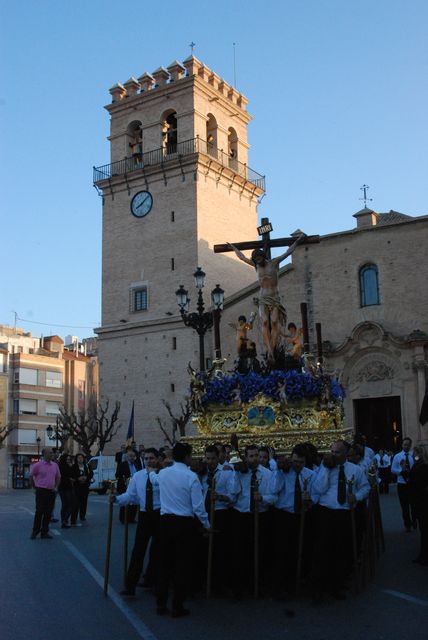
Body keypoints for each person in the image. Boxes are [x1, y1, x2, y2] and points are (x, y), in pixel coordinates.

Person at [227, 233, 305, 361]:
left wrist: (297, 241)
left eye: (259, 259)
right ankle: (270, 352)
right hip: (263, 298)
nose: (258, 261)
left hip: (274, 298)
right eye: (255, 260)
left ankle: (272, 350)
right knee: (264, 322)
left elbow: (288, 252)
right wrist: (233, 248)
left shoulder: (274, 262)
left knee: (274, 322)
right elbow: (242, 257)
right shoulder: (256, 266)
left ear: (263, 257)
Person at [155, 442, 210, 617]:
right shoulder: (190, 477)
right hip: (184, 525)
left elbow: (152, 478)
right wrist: (206, 525)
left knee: (164, 565)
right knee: (182, 566)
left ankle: (161, 604)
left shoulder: (163, 474)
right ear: (187, 457)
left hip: (165, 522)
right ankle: (177, 605)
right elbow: (198, 507)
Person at [311, 440, 369, 600]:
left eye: (337, 452)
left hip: (344, 513)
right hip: (326, 512)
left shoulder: (355, 470)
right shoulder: (325, 467)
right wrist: (326, 470)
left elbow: (365, 487)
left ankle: (337, 585)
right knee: (322, 550)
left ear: (345, 454)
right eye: (332, 451)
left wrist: (356, 496)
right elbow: (318, 488)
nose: (333, 455)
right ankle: (319, 587)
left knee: (341, 550)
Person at [229, 444, 276, 596]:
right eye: (251, 456)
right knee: (240, 553)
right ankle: (239, 587)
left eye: (257, 455)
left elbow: (274, 497)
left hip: (260, 515)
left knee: (260, 551)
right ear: (246, 457)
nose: (255, 459)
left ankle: (259, 585)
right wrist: (236, 473)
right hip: (242, 515)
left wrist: (262, 498)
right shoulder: (241, 472)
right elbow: (234, 492)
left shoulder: (267, 474)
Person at [270, 445, 315, 597]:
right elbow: (274, 489)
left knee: (301, 549)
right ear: (291, 458)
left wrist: (309, 499)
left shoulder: (310, 474)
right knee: (282, 551)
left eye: (301, 462)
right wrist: (278, 470)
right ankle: (280, 585)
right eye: (295, 461)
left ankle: (298, 582)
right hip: (284, 516)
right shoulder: (283, 473)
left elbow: (315, 495)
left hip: (302, 516)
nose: (298, 465)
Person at [116, 448, 161, 596]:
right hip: (144, 515)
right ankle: (130, 586)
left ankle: (152, 579)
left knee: (157, 550)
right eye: (146, 458)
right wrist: (117, 499)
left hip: (160, 514)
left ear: (157, 459)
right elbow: (131, 495)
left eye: (152, 458)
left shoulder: (163, 475)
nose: (149, 461)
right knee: (138, 551)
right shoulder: (138, 476)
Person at [199, 445, 235, 593]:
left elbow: (232, 497)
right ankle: (203, 581)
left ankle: (219, 583)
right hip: (204, 513)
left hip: (220, 513)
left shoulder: (227, 473)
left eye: (213, 458)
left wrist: (220, 497)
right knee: (203, 549)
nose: (210, 461)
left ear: (218, 457)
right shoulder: (201, 473)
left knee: (219, 550)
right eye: (208, 458)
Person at [29, 447, 61, 539]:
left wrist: (56, 487)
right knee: (39, 512)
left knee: (48, 513)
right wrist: (34, 487)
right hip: (41, 491)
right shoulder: (38, 465)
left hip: (51, 491)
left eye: (52, 453)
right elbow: (31, 476)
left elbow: (58, 477)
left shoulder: (55, 465)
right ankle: (35, 531)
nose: (52, 454)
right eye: (50, 453)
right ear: (45, 454)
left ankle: (44, 532)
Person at [391, 437, 416, 532]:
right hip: (402, 484)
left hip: (412, 484)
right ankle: (407, 524)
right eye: (405, 444)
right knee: (404, 506)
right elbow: (392, 469)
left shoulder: (413, 455)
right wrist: (401, 472)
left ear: (410, 445)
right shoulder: (397, 456)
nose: (406, 446)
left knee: (413, 504)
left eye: (408, 445)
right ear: (402, 445)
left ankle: (414, 519)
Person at [409, 443, 428, 565]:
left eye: (414, 453)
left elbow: (417, 484)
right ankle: (423, 554)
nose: (412, 455)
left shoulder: (422, 467)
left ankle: (424, 555)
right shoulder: (419, 465)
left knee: (424, 529)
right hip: (420, 500)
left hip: (422, 501)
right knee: (424, 529)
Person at [116, 447, 142, 524]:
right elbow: (117, 475)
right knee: (125, 502)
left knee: (133, 502)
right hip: (124, 485)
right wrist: (125, 477)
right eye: (130, 456)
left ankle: (131, 518)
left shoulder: (137, 464)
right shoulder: (122, 464)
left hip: (135, 486)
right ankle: (123, 519)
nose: (132, 458)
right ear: (127, 457)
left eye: (133, 456)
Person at [71, 453, 93, 523]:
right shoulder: (74, 466)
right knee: (76, 502)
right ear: (76, 459)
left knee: (84, 502)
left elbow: (91, 474)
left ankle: (82, 515)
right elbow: (72, 475)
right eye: (78, 458)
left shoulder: (87, 465)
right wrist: (78, 478)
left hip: (85, 486)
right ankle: (73, 518)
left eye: (81, 457)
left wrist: (86, 478)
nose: (80, 459)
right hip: (77, 486)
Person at [58, 453, 78, 528]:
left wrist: (71, 466)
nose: (68, 460)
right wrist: (69, 478)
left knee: (73, 504)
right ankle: (64, 521)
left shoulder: (70, 466)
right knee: (65, 504)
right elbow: (60, 476)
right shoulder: (60, 467)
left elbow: (73, 475)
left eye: (69, 459)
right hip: (62, 487)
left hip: (69, 487)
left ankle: (65, 520)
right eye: (67, 459)